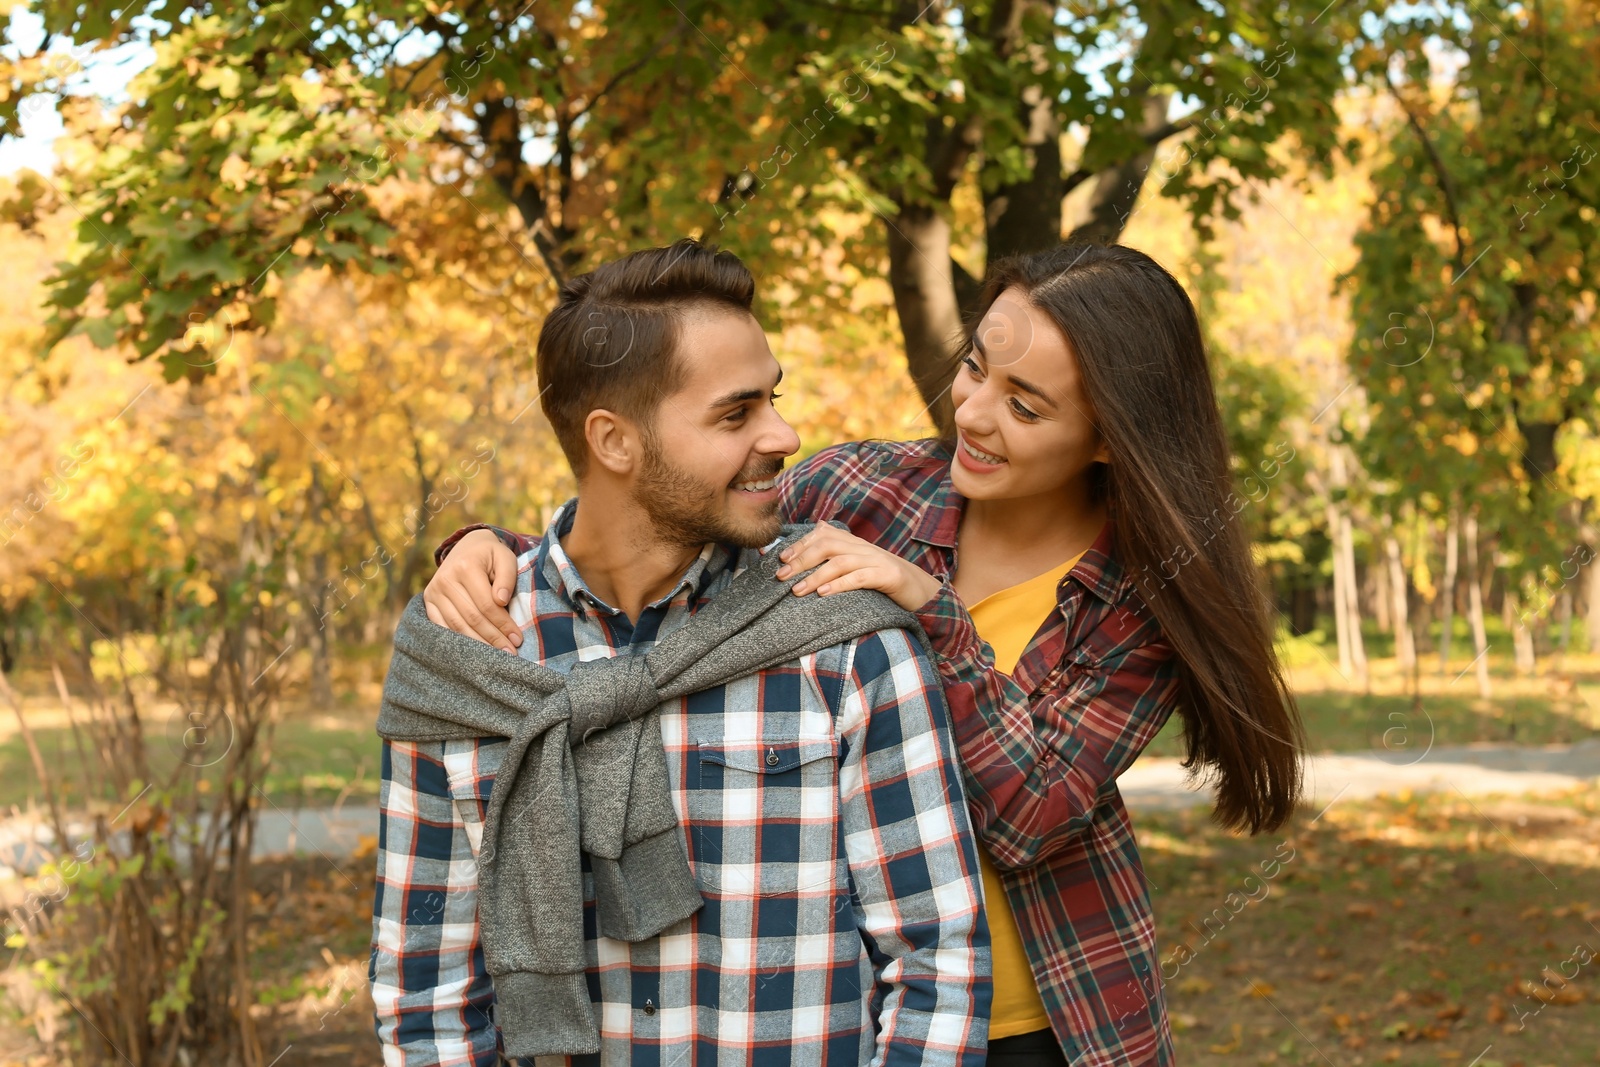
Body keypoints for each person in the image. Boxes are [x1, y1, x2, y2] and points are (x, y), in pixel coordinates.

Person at [428, 242, 1305, 1066]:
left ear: (1111, 436)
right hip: (870, 1001)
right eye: (973, 368)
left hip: (1040, 1017)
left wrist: (932, 610)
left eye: (1024, 404)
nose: (972, 411)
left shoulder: (1140, 599)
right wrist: (484, 548)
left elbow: (1031, 815)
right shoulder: (860, 489)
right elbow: (665, 529)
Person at [370, 240, 991, 1067]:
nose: (785, 433)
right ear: (614, 441)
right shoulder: (467, 657)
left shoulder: (844, 638)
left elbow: (937, 966)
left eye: (774, 398)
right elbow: (426, 1001)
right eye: (736, 414)